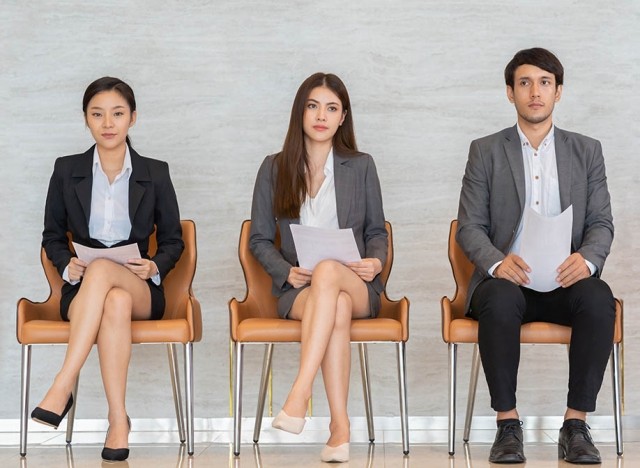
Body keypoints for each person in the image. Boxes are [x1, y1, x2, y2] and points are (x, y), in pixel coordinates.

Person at [456, 48, 615, 464]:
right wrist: (496, 263)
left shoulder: (587, 151)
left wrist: (588, 260)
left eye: (545, 83)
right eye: (524, 83)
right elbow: (469, 226)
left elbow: (601, 223)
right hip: (510, 282)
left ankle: (575, 426)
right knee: (500, 299)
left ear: (558, 92)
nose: (535, 92)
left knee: (599, 298)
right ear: (510, 93)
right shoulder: (485, 151)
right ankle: (508, 427)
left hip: (566, 280)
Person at [31, 77, 184, 462]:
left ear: (134, 118)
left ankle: (62, 384)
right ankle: (118, 420)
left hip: (141, 286)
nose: (108, 123)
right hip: (84, 290)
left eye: (117, 113)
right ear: (86, 119)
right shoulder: (67, 170)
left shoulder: (156, 172)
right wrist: (68, 266)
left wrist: (154, 264)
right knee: (109, 297)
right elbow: (52, 235)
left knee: (113, 283)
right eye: (97, 114)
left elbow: (173, 240)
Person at [249, 72, 387, 463]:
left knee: (330, 272)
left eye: (331, 108)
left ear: (343, 117)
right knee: (334, 304)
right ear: (300, 112)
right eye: (313, 106)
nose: (321, 116)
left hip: (357, 283)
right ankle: (339, 428)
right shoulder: (274, 168)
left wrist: (375, 261)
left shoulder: (361, 166)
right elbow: (259, 239)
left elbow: (377, 230)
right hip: (300, 288)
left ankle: (300, 393)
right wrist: (284, 271)